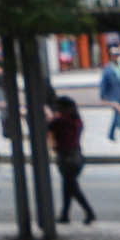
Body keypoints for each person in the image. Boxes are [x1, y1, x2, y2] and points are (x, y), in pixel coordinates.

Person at [46, 94, 97, 225]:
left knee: (72, 187)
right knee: (68, 186)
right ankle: (65, 214)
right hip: (77, 155)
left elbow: (48, 126)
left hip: (66, 156)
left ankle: (89, 212)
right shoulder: (77, 121)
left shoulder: (62, 121)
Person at [99, 51, 120, 144]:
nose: (117, 58)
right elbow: (103, 83)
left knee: (118, 115)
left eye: (118, 56)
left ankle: (112, 134)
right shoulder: (108, 69)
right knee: (119, 115)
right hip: (114, 97)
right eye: (115, 56)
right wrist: (103, 96)